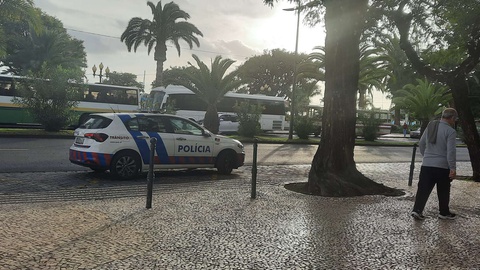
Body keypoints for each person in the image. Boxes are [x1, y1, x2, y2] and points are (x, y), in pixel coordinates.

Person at [411, 108, 458, 220]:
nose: (454, 121)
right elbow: (451, 151)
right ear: (451, 118)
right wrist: (452, 168)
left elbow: (421, 143)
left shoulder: (430, 126)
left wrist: (427, 156)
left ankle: (417, 210)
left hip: (427, 164)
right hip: (442, 166)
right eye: (454, 119)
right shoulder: (450, 131)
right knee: (444, 189)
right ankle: (443, 212)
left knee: (423, 188)